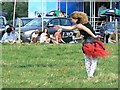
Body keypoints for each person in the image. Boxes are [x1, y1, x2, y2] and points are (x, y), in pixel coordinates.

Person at [55, 11, 109, 79]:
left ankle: (90, 75)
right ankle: (90, 75)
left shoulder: (79, 25)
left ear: (76, 19)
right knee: (94, 60)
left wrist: (94, 36)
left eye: (72, 19)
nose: (71, 20)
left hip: (88, 43)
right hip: (93, 42)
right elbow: (72, 27)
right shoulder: (85, 23)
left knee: (87, 60)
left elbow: (86, 30)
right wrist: (60, 26)